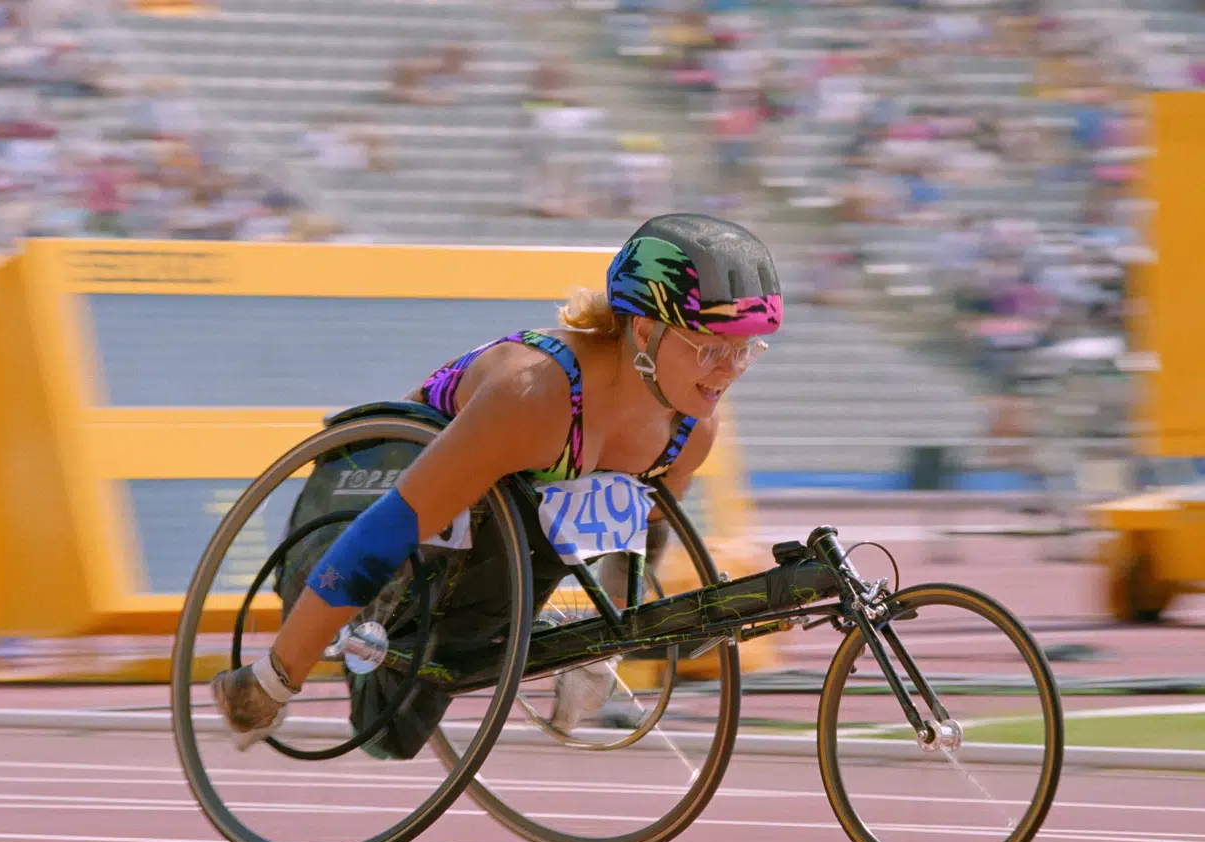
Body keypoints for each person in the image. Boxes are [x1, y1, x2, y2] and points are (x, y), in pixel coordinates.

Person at [210, 213, 783, 751]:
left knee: (398, 732)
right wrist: (275, 678)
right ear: (644, 330)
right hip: (374, 499)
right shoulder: (533, 394)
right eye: (711, 348)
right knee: (393, 699)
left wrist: (602, 655)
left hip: (508, 532)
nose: (729, 372)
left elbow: (638, 538)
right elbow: (382, 534)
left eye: (747, 350)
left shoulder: (692, 430)